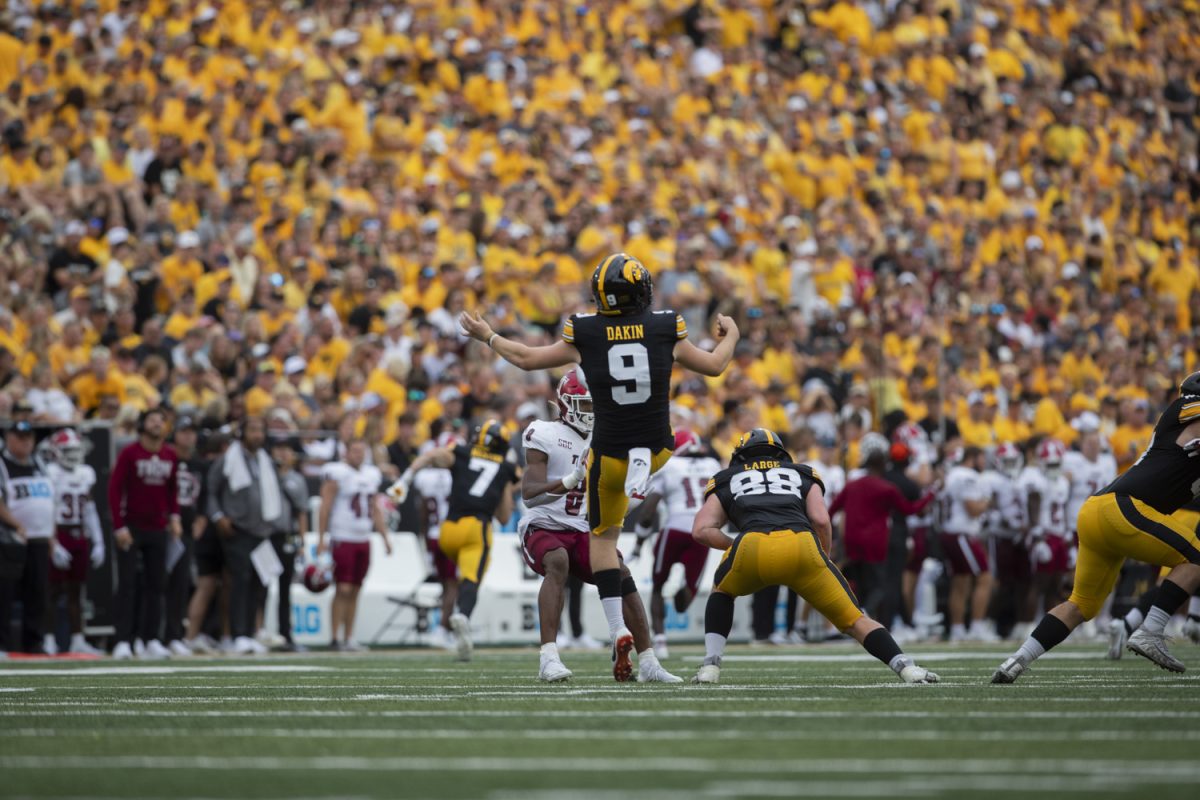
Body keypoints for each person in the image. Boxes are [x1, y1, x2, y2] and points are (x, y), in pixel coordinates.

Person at [459, 253, 739, 676]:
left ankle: (616, 632)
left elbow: (525, 358)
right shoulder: (665, 326)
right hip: (658, 448)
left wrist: (488, 336)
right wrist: (731, 332)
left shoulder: (586, 331)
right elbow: (716, 366)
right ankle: (633, 649)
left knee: (604, 543)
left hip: (606, 455)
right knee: (620, 520)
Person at [993, 373, 1200, 683]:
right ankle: (1151, 629)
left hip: (1099, 512)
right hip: (1124, 506)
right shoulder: (1184, 409)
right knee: (1195, 557)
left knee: (1081, 606)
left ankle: (1016, 661)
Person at [690, 429, 939, 685]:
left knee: (721, 592)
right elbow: (821, 520)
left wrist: (738, 546)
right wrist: (823, 557)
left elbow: (701, 531)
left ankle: (710, 666)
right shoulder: (802, 472)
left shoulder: (726, 477)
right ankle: (907, 668)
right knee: (855, 619)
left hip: (751, 545)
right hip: (802, 545)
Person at [519, 370, 680, 682]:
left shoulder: (605, 437)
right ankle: (548, 658)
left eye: (594, 406)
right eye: (584, 406)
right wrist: (571, 479)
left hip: (583, 527)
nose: (590, 413)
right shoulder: (544, 433)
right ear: (565, 405)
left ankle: (648, 661)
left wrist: (634, 484)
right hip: (544, 524)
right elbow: (529, 494)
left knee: (620, 573)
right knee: (557, 561)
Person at [389, 420, 519, 661]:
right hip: (475, 529)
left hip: (447, 531)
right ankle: (464, 616)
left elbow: (430, 457)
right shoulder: (504, 467)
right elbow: (503, 517)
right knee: (471, 579)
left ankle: (451, 626)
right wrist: (505, 485)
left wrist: (403, 481)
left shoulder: (461, 452)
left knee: (451, 582)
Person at [631, 429, 721, 660]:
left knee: (658, 586)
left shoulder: (669, 466)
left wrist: (639, 544)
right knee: (687, 597)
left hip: (674, 530)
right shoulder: (712, 464)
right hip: (702, 532)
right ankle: (681, 588)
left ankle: (660, 641)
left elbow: (647, 514)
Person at [829, 433, 935, 626]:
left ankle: (857, 619)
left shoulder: (852, 485)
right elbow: (908, 509)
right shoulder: (887, 488)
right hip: (875, 542)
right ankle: (866, 614)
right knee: (879, 584)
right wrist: (930, 496)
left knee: (858, 584)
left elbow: (832, 509)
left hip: (852, 540)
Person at [206, 416, 285, 655]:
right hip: (238, 529)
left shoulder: (265, 460)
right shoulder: (227, 460)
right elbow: (211, 490)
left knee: (258, 584)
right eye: (252, 430)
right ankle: (237, 634)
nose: (257, 435)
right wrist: (218, 516)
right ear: (242, 433)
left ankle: (251, 633)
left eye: (260, 430)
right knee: (239, 582)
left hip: (262, 531)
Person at [107, 408, 181, 660]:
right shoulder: (129, 453)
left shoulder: (170, 455)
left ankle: (150, 639)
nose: (157, 423)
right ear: (141, 425)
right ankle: (122, 640)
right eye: (152, 419)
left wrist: (175, 517)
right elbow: (115, 490)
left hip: (157, 527)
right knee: (127, 585)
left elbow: (173, 491)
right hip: (132, 527)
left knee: (156, 586)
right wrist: (119, 525)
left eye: (161, 420)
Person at [317, 436, 392, 652]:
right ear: (345, 452)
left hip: (363, 538)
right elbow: (325, 507)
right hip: (343, 536)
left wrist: (385, 536)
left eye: (361, 451)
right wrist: (322, 539)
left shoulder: (371, 474)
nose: (358, 455)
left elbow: (375, 508)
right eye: (354, 451)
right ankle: (334, 638)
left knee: (357, 588)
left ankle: (349, 637)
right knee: (343, 587)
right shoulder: (337, 473)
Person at [43, 428, 104, 655]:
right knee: (53, 590)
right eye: (68, 450)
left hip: (79, 533)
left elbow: (89, 507)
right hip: (59, 532)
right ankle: (49, 639)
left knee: (76, 591)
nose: (73, 454)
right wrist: (53, 542)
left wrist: (99, 541)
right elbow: (46, 509)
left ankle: (78, 638)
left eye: (75, 450)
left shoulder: (86, 473)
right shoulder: (49, 472)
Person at [0, 417, 55, 653]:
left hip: (40, 538)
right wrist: (16, 524)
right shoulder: (2, 464)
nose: (24, 442)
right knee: (5, 592)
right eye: (19, 437)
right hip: (10, 538)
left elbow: (50, 500)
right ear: (8, 438)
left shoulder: (39, 464)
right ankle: (2, 644)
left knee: (38, 592)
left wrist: (52, 535)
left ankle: (34, 643)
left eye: (28, 438)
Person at [939, 446, 995, 642]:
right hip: (962, 533)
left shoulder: (954, 473)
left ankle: (957, 629)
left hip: (953, 532)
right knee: (985, 578)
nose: (983, 462)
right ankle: (977, 627)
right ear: (973, 457)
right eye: (981, 457)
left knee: (960, 582)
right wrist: (987, 501)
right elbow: (972, 508)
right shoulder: (967, 475)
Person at [412, 430, 459, 648]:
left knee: (445, 584)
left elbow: (422, 512)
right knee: (453, 586)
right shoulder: (456, 475)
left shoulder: (424, 478)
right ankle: (443, 629)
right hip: (450, 535)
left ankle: (444, 626)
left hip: (432, 535)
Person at [264, 436, 308, 652]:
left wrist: (302, 540)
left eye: (286, 450)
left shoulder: (297, 479)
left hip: (288, 535)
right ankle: (258, 631)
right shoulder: (265, 475)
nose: (282, 454)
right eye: (278, 449)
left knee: (285, 588)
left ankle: (285, 633)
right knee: (260, 585)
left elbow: (301, 513)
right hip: (266, 535)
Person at [163, 415, 202, 656]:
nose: (188, 436)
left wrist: (203, 518)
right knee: (157, 585)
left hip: (187, 531)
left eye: (192, 432)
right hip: (164, 528)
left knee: (180, 584)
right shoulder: (167, 459)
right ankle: (152, 635)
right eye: (184, 431)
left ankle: (174, 634)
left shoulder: (197, 464)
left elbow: (204, 494)